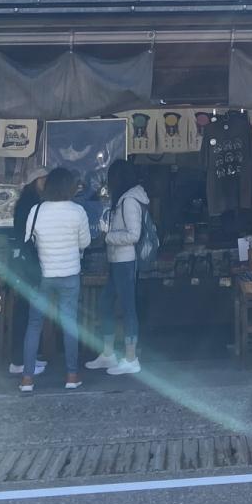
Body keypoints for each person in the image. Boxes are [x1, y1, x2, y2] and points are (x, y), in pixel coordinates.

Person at [20, 167, 91, 392]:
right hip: (69, 274)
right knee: (69, 324)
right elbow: (85, 242)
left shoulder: (37, 210)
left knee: (34, 325)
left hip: (42, 275)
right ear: (69, 187)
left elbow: (27, 240)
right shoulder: (78, 211)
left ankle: (27, 379)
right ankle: (71, 376)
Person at [85, 160, 148, 376]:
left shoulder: (129, 200)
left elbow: (134, 235)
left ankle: (131, 358)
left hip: (126, 261)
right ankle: (108, 353)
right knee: (105, 304)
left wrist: (108, 237)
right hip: (116, 260)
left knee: (128, 308)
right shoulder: (124, 199)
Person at [8, 164, 48, 376]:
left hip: (25, 263)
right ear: (35, 182)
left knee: (27, 310)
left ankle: (26, 357)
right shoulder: (31, 205)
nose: (46, 183)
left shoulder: (27, 202)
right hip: (28, 264)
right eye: (43, 179)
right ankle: (19, 361)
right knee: (25, 311)